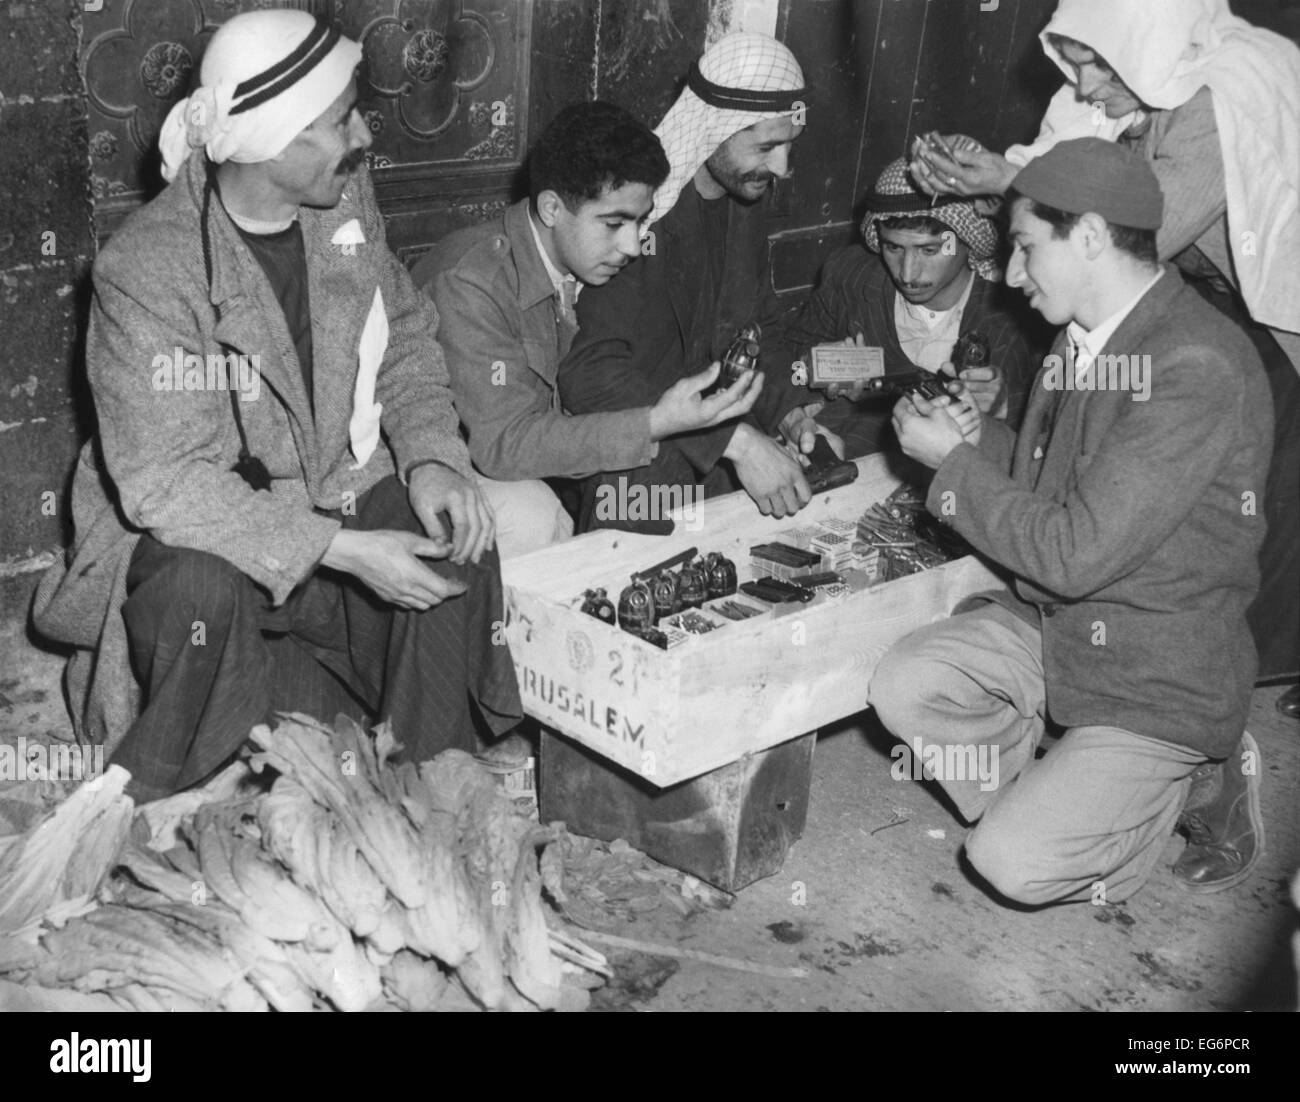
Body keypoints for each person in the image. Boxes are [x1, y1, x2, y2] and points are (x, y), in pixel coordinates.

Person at [32, 11, 521, 801]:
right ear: (274, 141)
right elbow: (167, 487)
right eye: (341, 121)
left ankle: (424, 786)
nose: (364, 135)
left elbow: (405, 340)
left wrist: (433, 458)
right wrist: (348, 550)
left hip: (327, 505)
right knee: (199, 596)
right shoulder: (147, 271)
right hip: (203, 543)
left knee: (454, 533)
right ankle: (188, 769)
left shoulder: (345, 203)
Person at [869, 139, 1271, 904]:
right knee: (904, 682)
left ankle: (1197, 783)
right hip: (1061, 628)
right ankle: (1065, 786)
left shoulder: (1195, 366)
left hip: (1155, 670)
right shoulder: (1085, 336)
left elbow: (1073, 553)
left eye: (1024, 247)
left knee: (1011, 867)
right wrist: (974, 439)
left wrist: (950, 467)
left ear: (1089, 236)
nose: (1011, 276)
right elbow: (1046, 486)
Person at [908, 0, 1300, 714]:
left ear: (1143, 47)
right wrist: (1007, 174)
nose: (1083, 86)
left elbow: (1133, 243)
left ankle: (1211, 710)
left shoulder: (1211, 104)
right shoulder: (1153, 74)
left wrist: (1018, 197)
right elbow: (1081, 166)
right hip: (1218, 302)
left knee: (1260, 517)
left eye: (1093, 65)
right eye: (1077, 63)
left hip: (1275, 318)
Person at [413, 102, 761, 558]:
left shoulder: (581, 258)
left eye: (640, 221)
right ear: (553, 208)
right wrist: (656, 423)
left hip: (539, 453)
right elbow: (504, 445)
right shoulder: (472, 282)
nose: (633, 246)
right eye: (615, 223)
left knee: (665, 477)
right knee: (536, 518)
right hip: (445, 468)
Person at [558, 32, 832, 534]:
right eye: (767, 147)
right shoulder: (639, 220)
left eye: (788, 147)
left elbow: (759, 328)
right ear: (714, 128)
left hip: (716, 451)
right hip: (639, 469)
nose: (782, 168)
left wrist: (789, 412)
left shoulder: (745, 197)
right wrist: (735, 442)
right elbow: (590, 375)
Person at [785, 156, 1040, 459]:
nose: (907, 274)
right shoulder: (851, 277)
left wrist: (1002, 409)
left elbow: (1048, 432)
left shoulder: (1018, 314)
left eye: (929, 250)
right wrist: (815, 369)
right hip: (851, 460)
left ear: (970, 240)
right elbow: (787, 360)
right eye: (893, 247)